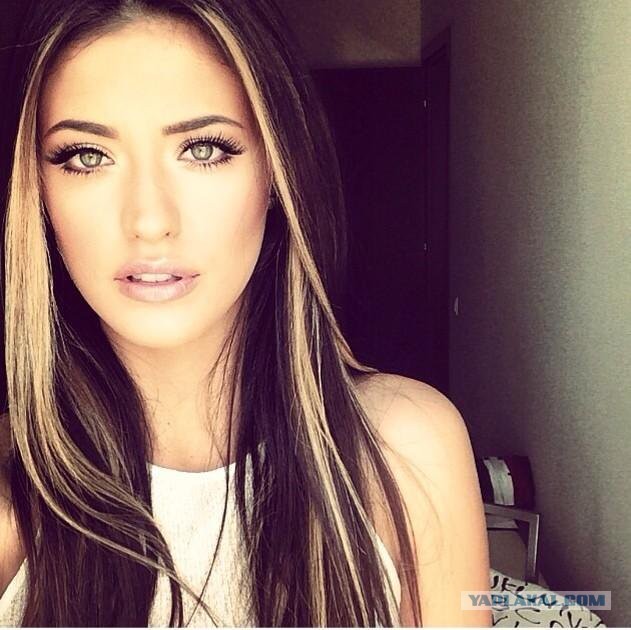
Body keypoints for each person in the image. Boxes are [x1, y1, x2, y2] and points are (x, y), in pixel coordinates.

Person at [0, 0, 491, 626]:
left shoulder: (407, 450)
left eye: (204, 148)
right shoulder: (14, 500)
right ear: (37, 193)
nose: (149, 220)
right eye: (87, 156)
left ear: (277, 172)